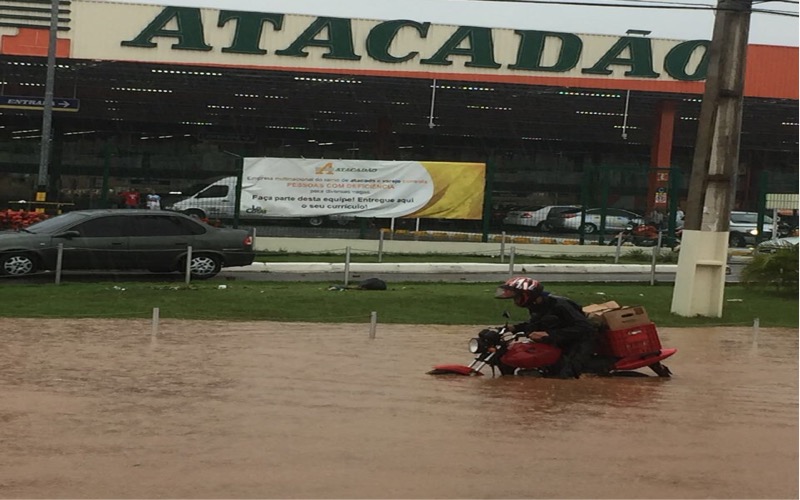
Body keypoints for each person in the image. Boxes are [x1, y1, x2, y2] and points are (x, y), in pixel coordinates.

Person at [495, 276, 598, 379]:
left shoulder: (560, 305)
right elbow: (536, 324)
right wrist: (514, 328)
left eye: (516, 298)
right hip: (557, 340)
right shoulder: (536, 306)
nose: (515, 302)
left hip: (578, 342)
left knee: (564, 375)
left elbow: (585, 327)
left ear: (527, 295)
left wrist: (550, 334)